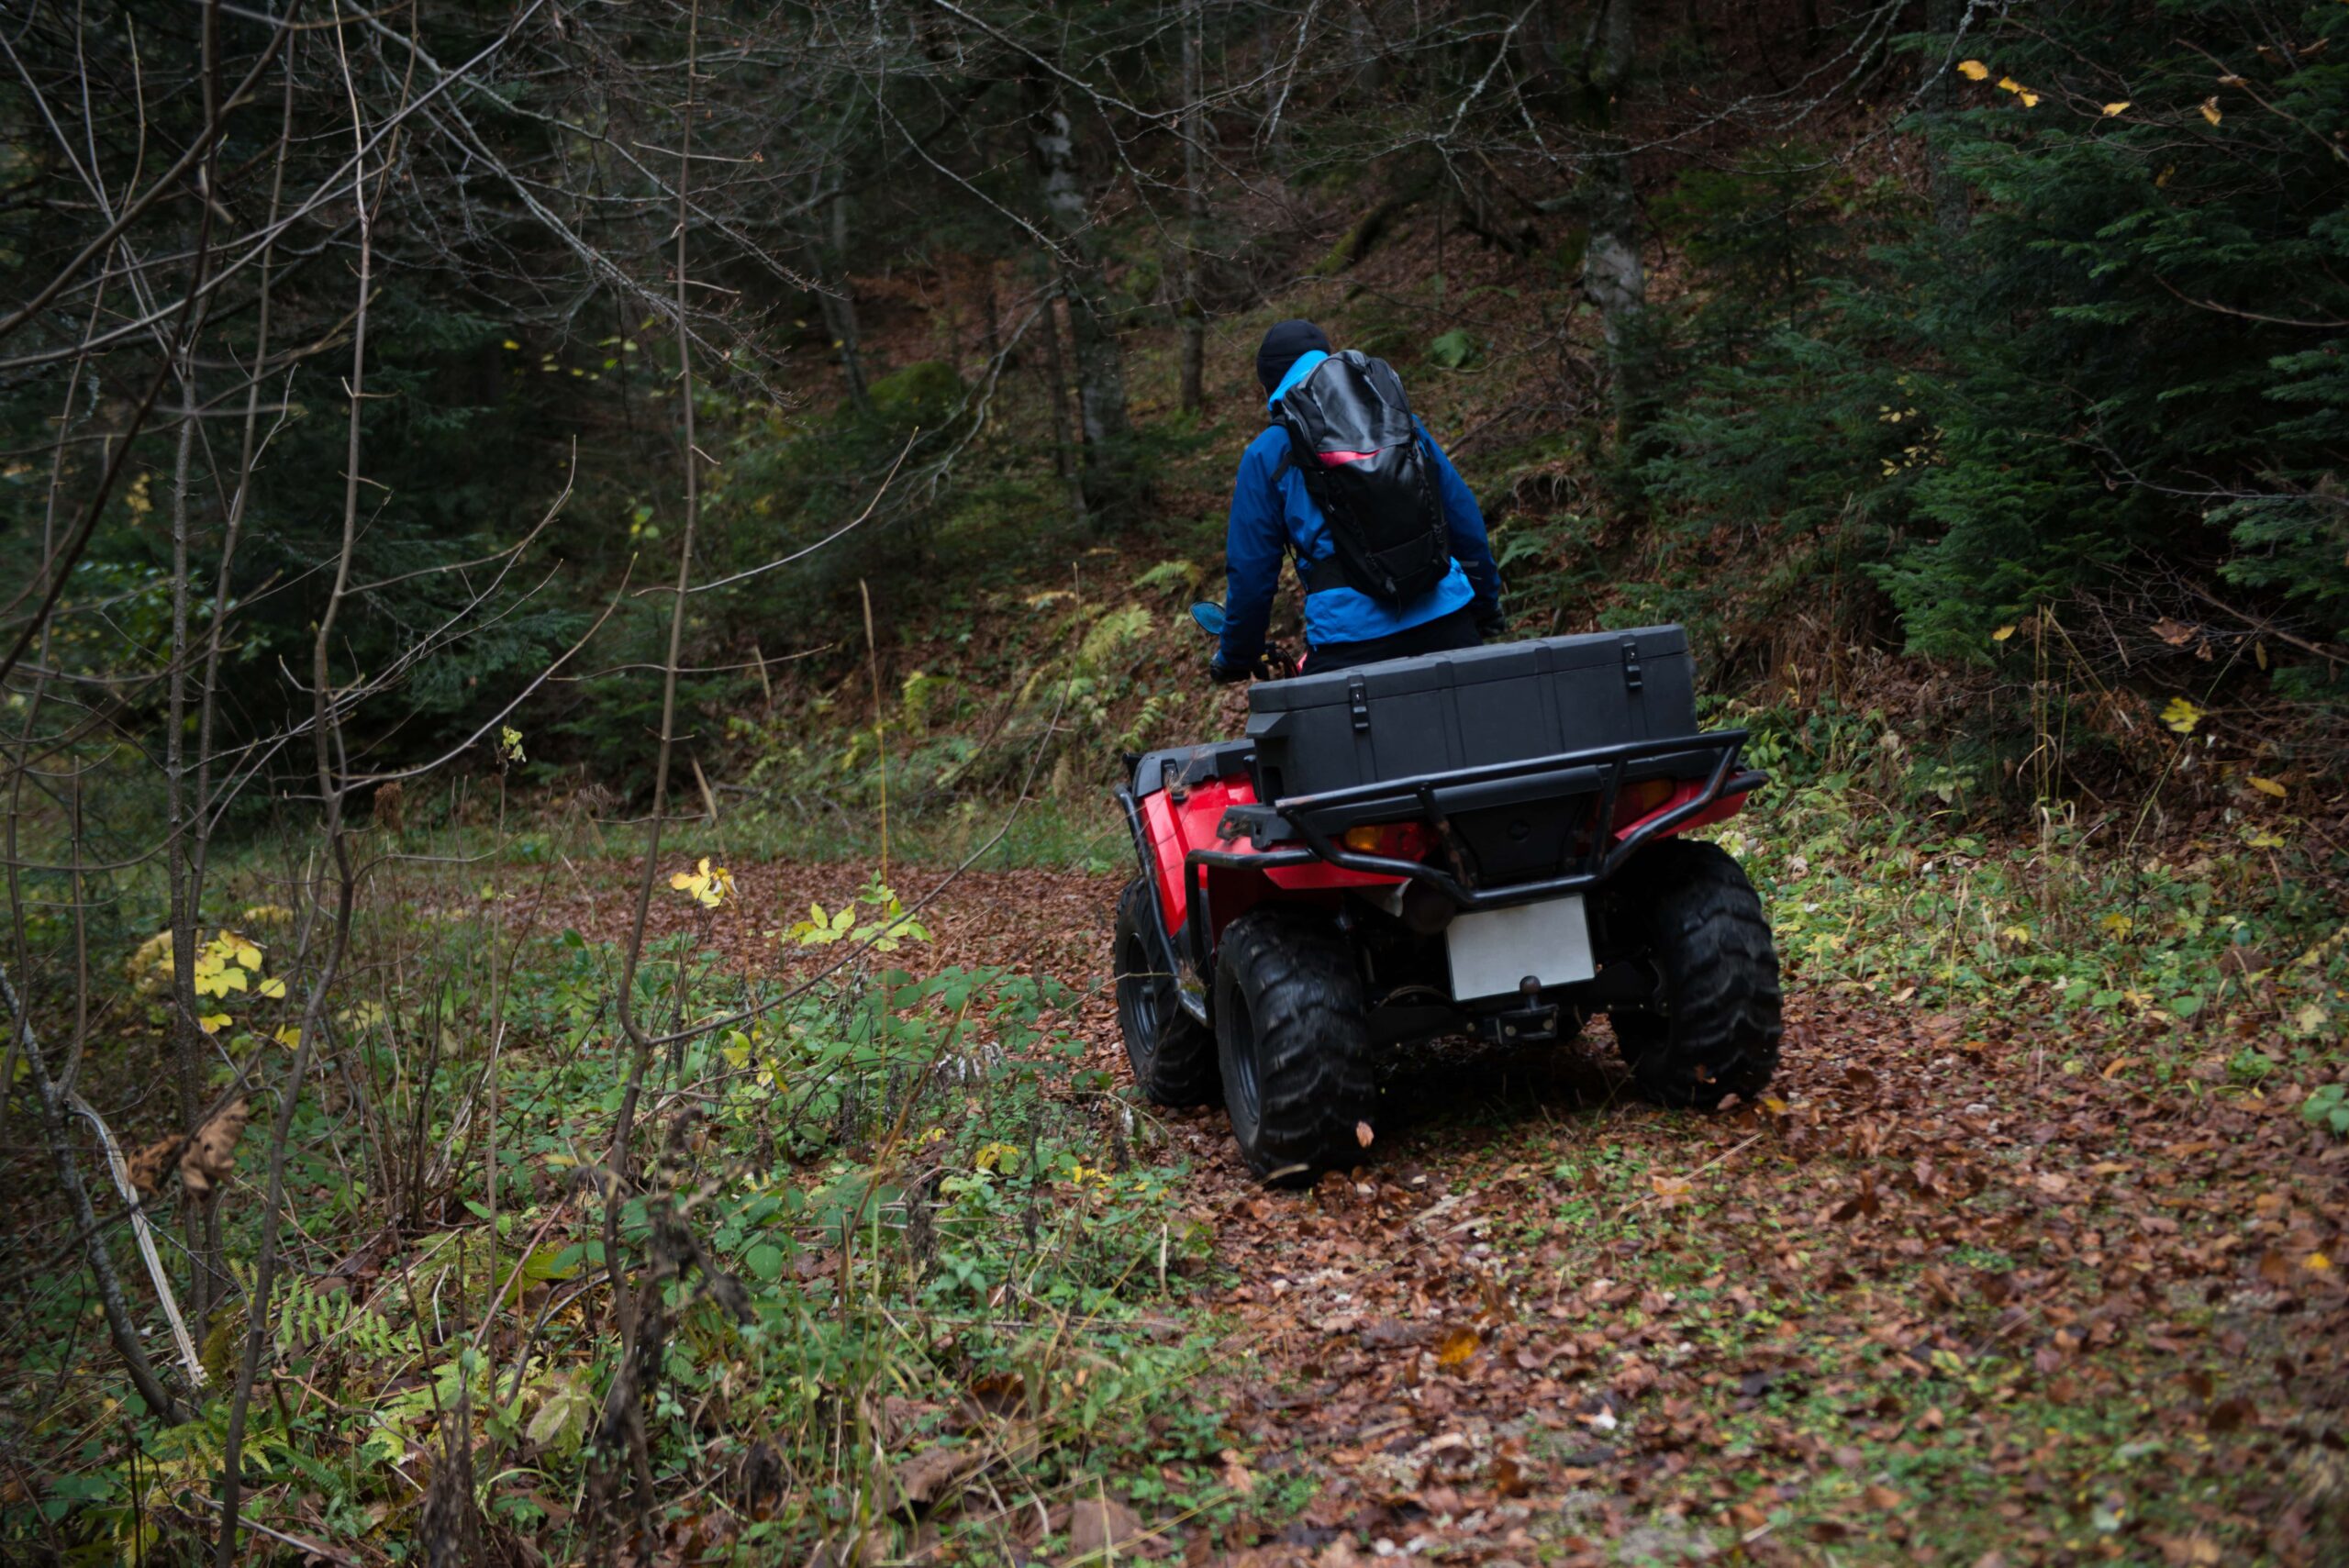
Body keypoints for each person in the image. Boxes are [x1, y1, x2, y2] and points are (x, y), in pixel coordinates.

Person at [1209, 319, 1504, 681]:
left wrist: (1236, 656)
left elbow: (1251, 575)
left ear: (1270, 383)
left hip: (1351, 646)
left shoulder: (1268, 453)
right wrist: (1485, 605)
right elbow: (1462, 517)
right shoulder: (1399, 420)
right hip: (1448, 619)